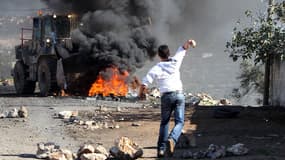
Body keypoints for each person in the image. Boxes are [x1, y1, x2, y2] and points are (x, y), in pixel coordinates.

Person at [139, 39, 196, 157]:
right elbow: (183, 48)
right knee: (179, 122)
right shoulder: (175, 61)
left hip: (166, 97)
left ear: (159, 55)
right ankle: (172, 139)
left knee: (164, 123)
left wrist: (141, 94)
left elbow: (144, 83)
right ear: (169, 53)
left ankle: (161, 149)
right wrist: (190, 42)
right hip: (179, 95)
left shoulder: (157, 67)